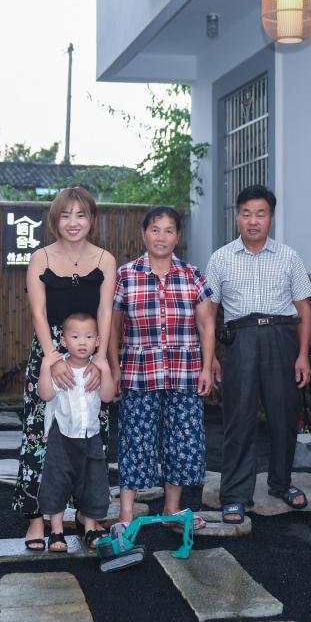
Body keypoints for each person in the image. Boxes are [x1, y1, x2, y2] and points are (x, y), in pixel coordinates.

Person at [13, 187, 117, 551]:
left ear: (92, 219)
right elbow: (38, 313)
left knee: (92, 433)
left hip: (90, 351)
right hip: (49, 354)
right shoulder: (40, 258)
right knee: (40, 435)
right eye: (66, 215)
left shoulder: (105, 259)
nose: (73, 222)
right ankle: (36, 518)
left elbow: (105, 312)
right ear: (55, 220)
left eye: (81, 215)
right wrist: (52, 357)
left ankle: (89, 517)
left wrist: (101, 358)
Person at [205, 185, 311, 524]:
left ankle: (281, 483)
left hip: (281, 338)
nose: (253, 221)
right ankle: (235, 495)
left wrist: (303, 355)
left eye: (260, 214)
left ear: (271, 218)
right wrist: (211, 358)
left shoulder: (289, 257)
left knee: (284, 415)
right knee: (239, 419)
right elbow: (208, 313)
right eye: (246, 214)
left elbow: (304, 311)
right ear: (237, 217)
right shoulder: (220, 258)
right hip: (240, 340)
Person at [108, 206, 217, 531]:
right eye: (155, 229)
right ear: (144, 234)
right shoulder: (126, 275)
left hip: (185, 373)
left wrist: (207, 367)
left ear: (178, 237)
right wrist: (114, 366)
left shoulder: (193, 275)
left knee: (181, 440)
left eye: (169, 230)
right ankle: (126, 514)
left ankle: (172, 509)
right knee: (135, 440)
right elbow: (113, 327)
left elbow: (206, 324)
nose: (161, 237)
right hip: (139, 373)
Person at [38, 312, 117, 552]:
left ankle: (90, 528)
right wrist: (46, 366)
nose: (82, 342)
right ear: (63, 341)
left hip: (90, 437)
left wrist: (106, 369)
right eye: (75, 337)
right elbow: (46, 395)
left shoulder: (96, 369)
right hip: (62, 437)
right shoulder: (60, 368)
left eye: (88, 337)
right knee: (57, 481)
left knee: (93, 482)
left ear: (97, 341)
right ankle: (56, 531)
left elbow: (107, 397)